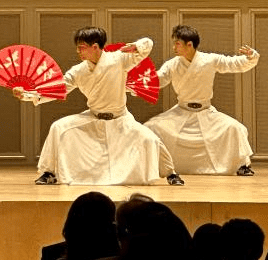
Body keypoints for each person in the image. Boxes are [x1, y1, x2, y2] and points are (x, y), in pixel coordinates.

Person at [14, 27, 181, 185]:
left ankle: (171, 173)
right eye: (78, 47)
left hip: (121, 119)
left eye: (81, 47)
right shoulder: (78, 71)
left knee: (149, 138)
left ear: (95, 47)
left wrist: (136, 46)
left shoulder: (119, 59)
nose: (78, 51)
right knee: (59, 127)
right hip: (93, 117)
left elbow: (148, 44)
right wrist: (27, 94)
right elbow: (58, 88)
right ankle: (49, 173)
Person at [145, 25, 259, 176]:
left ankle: (242, 166)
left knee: (236, 128)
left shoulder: (209, 60)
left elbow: (234, 63)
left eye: (177, 43)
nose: (174, 47)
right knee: (150, 127)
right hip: (181, 112)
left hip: (206, 111)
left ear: (189, 44)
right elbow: (157, 80)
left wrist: (251, 57)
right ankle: (154, 165)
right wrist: (138, 83)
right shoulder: (173, 64)